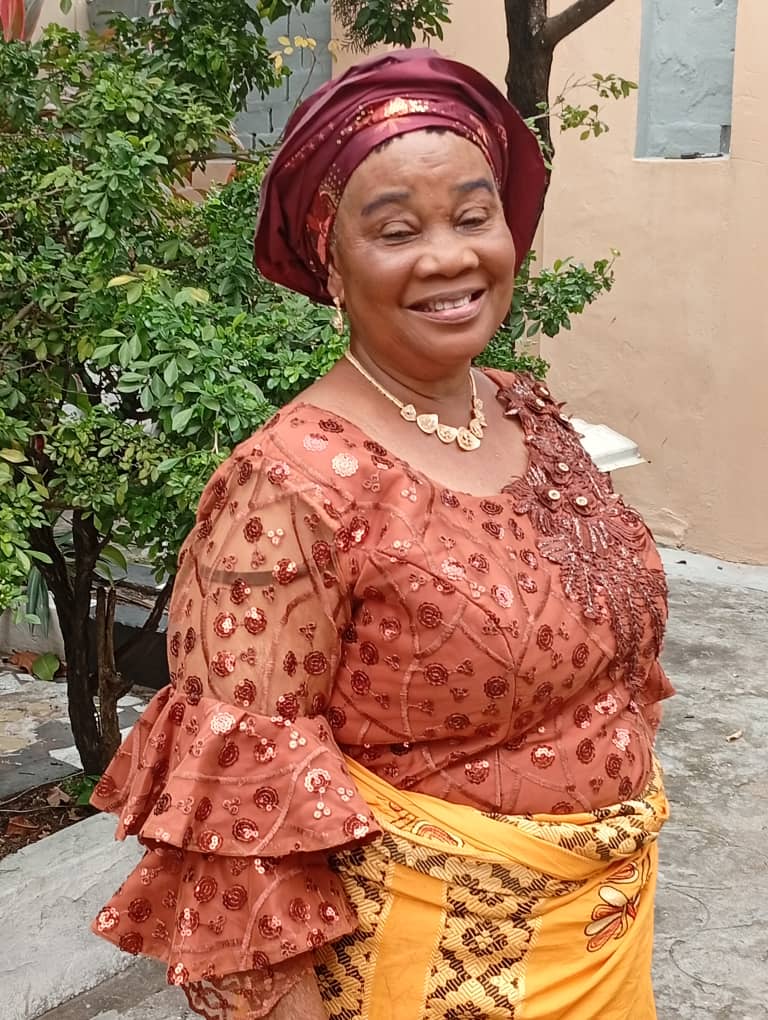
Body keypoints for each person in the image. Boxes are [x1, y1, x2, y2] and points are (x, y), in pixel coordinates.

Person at [90, 48, 674, 1020]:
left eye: (474, 216)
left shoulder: (531, 417)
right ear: (330, 257)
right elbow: (244, 854)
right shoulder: (290, 489)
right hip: (422, 979)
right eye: (398, 229)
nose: (450, 256)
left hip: (603, 951)